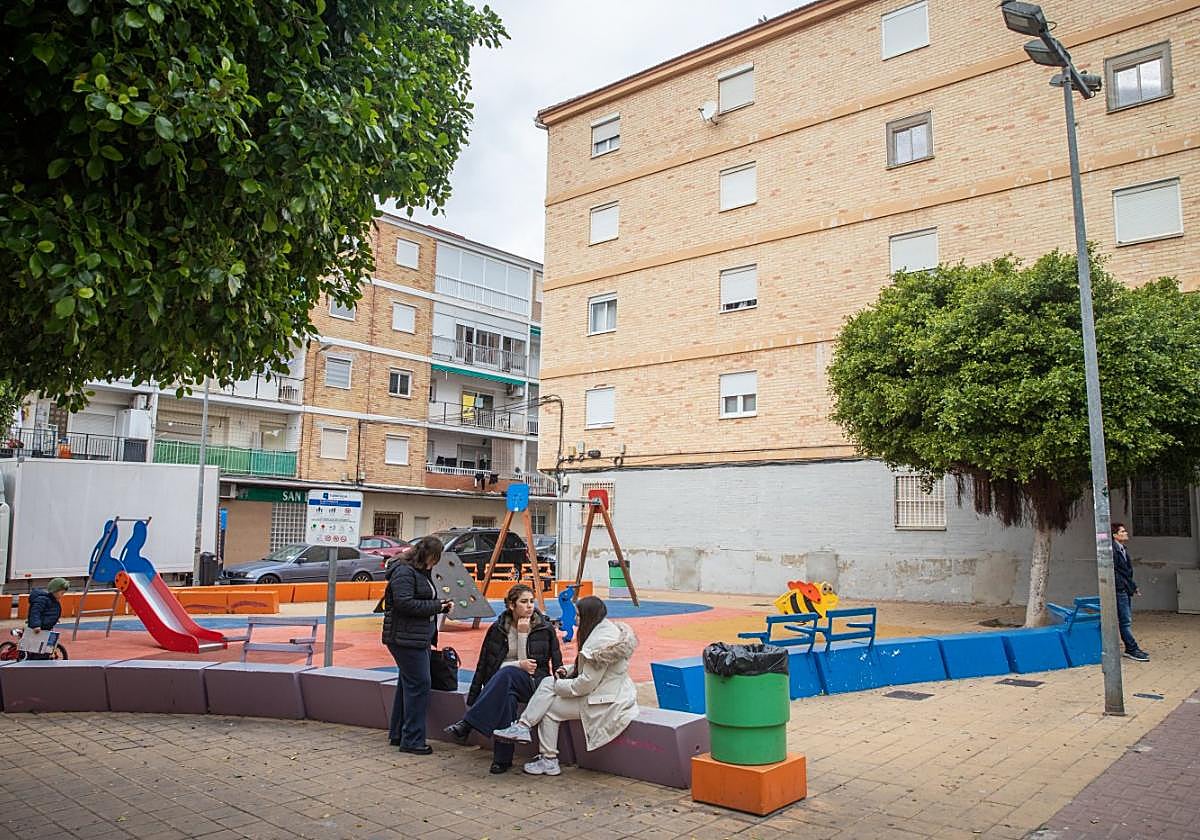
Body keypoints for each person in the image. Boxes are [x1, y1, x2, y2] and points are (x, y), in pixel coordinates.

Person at [493, 596, 638, 776]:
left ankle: (538, 745)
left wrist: (558, 686)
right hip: (609, 691)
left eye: (578, 615)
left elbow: (584, 685)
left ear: (589, 616)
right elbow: (590, 669)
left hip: (605, 701)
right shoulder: (604, 631)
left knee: (548, 699)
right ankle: (537, 745)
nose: (575, 618)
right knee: (548, 693)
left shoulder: (598, 645)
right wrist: (567, 670)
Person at [443, 583, 563, 774]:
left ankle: (468, 723)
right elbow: (484, 665)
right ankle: (502, 759)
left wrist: (523, 634)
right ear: (511, 605)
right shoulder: (497, 629)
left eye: (532, 601)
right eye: (524, 602)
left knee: (507, 675)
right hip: (503, 681)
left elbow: (546, 664)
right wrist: (474, 696)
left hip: (534, 682)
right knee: (507, 696)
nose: (530, 606)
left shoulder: (544, 628)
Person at [381, 537, 452, 754]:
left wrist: (437, 605)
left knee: (407, 684)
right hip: (406, 638)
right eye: (435, 558)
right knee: (420, 684)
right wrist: (437, 606)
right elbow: (404, 603)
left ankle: (399, 734)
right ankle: (412, 740)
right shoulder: (404, 572)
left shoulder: (417, 571)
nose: (436, 562)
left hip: (413, 637)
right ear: (428, 556)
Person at [1111, 522, 1149, 662]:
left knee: (1126, 620)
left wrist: (1133, 586)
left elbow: (1126, 573)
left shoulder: (1122, 549)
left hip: (1125, 588)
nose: (1126, 533)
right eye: (1122, 531)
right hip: (1120, 589)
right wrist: (1125, 586)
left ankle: (1131, 648)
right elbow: (1115, 572)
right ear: (1115, 535)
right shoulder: (1113, 551)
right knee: (1125, 621)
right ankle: (1131, 649)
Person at [26, 578, 69, 660]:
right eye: (61, 593)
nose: (62, 595)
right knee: (37, 650)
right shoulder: (42, 599)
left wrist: (54, 619)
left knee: (44, 648)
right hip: (39, 628)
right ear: (54, 590)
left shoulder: (53, 600)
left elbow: (50, 612)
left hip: (46, 628)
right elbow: (35, 612)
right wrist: (36, 625)